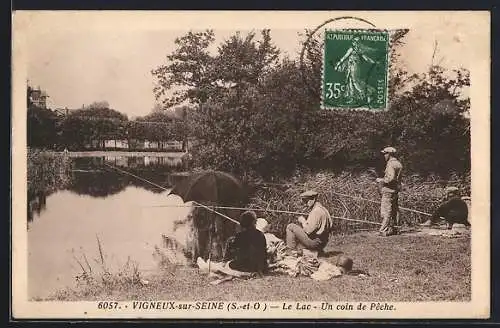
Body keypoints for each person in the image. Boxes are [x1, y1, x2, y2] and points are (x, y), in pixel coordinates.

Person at [285, 190, 333, 255]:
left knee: (291, 226)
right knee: (299, 247)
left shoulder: (316, 211)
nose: (305, 204)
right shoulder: (323, 209)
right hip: (323, 242)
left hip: (315, 243)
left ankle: (290, 252)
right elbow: (330, 226)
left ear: (313, 199)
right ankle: (316, 251)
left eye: (306, 201)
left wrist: (303, 221)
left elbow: (308, 231)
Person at [376, 147, 403, 236]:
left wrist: (381, 180)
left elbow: (390, 178)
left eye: (385, 154)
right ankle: (396, 228)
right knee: (395, 210)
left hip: (388, 190)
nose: (384, 156)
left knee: (386, 211)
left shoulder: (390, 164)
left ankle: (383, 230)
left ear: (389, 154)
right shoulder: (398, 164)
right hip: (395, 190)